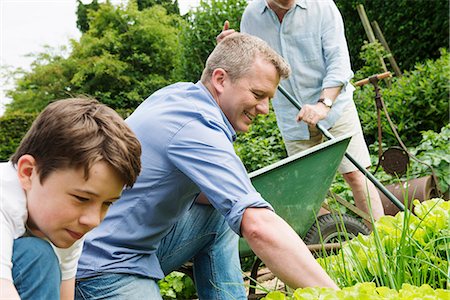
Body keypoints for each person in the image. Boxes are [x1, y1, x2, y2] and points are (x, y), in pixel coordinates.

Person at [75, 33, 338, 300]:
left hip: (132, 244)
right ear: (220, 79)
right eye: (258, 94)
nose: (264, 109)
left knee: (221, 213)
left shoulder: (180, 96)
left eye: (268, 98)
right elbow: (257, 226)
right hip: (101, 267)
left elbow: (215, 198)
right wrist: (338, 295)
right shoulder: (195, 125)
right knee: (243, 215)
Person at [217, 0, 385, 223]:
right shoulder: (252, 16)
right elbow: (250, 65)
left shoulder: (322, 7)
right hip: (292, 118)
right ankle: (333, 244)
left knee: (356, 175)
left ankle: (382, 241)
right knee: (308, 192)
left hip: (335, 106)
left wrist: (323, 104)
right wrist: (230, 48)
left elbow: (339, 62)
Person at [0, 98, 142, 300]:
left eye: (107, 203)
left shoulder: (68, 224)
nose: (93, 220)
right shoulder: (3, 198)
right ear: (28, 172)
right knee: (35, 254)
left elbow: (64, 294)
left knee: (36, 255)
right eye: (82, 198)